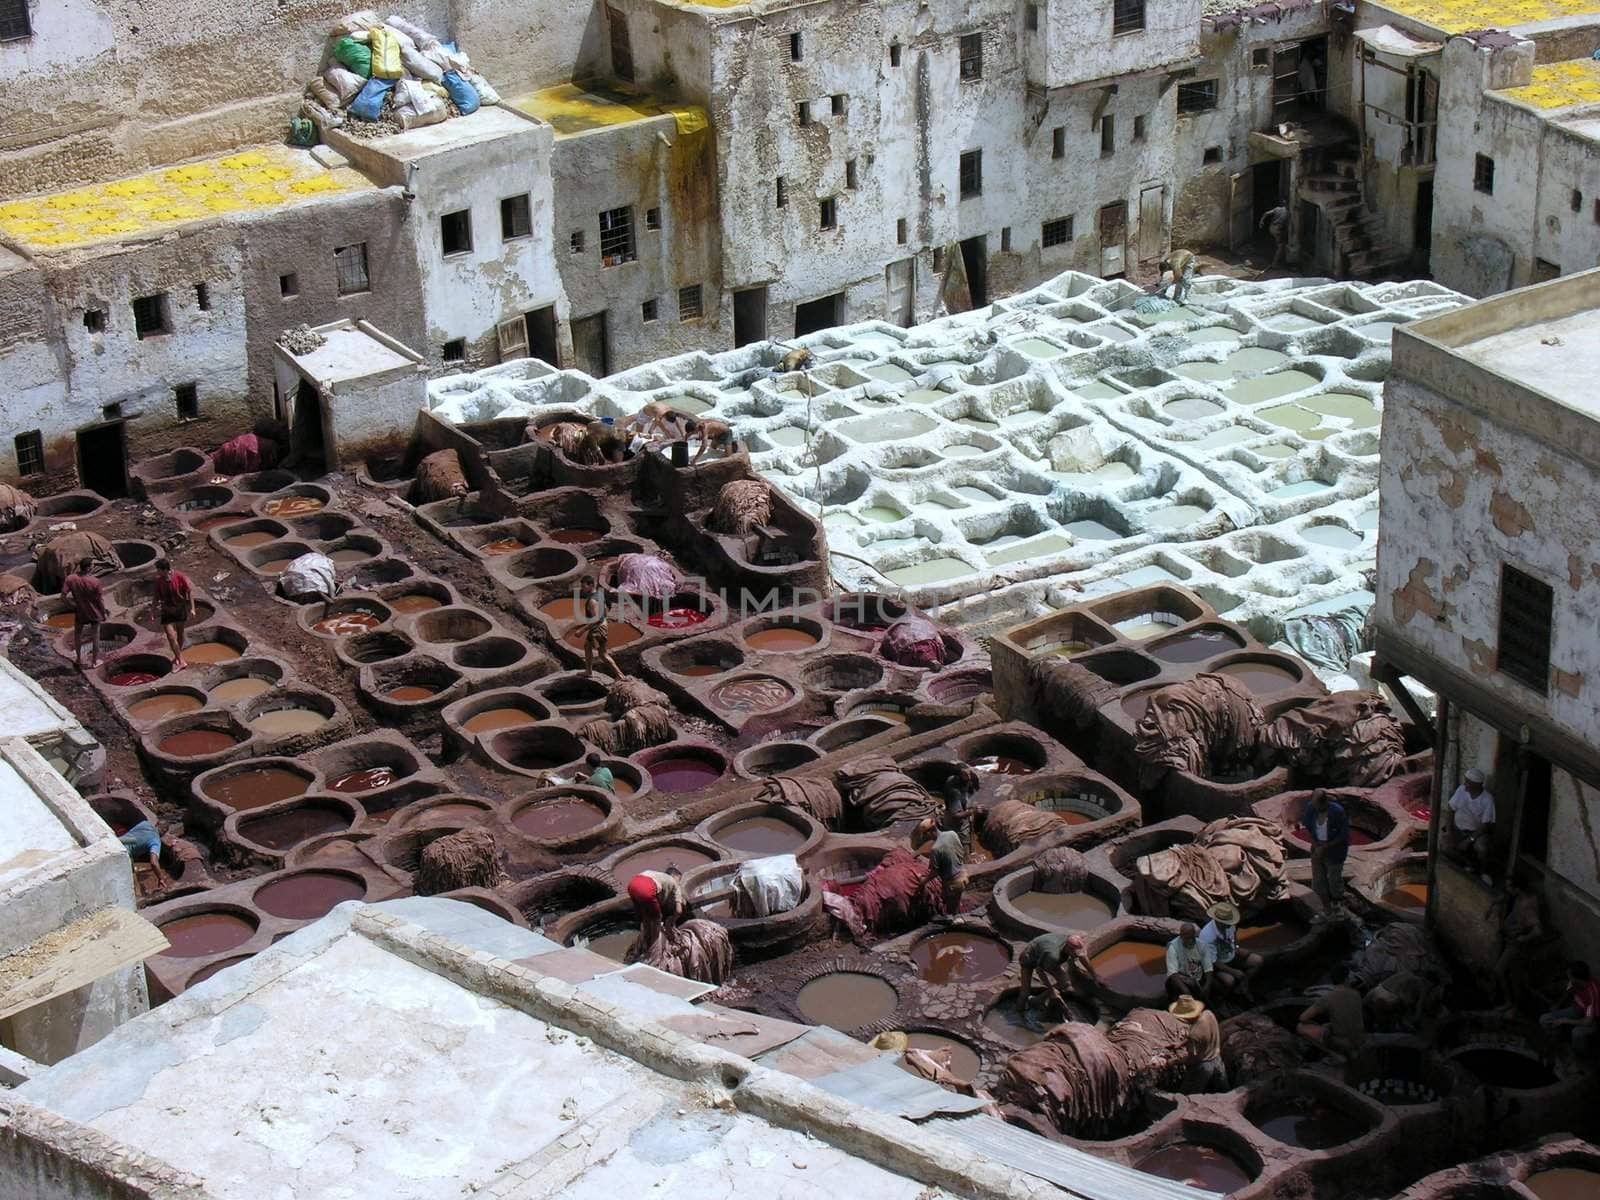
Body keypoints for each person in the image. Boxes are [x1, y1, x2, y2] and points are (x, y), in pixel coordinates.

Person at [1018, 932, 1096, 1027]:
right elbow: (1039, 971)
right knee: (1025, 991)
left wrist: (1095, 976)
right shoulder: (1053, 955)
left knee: (1066, 984)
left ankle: (1036, 1000)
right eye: (1074, 954)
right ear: (1068, 948)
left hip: (1044, 952)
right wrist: (1052, 991)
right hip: (1028, 958)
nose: (1076, 956)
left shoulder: (1071, 943)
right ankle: (1019, 1015)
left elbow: (1082, 956)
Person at [1490, 878, 1544, 1011]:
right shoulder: (1520, 897)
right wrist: (1491, 905)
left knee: (1500, 971)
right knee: (1512, 975)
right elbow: (1504, 896)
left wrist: (1524, 938)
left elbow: (1538, 930)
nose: (1507, 889)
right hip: (1511, 941)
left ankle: (1512, 1004)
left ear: (1517, 889)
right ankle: (1513, 1004)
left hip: (1516, 945)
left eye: (1510, 887)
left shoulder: (1527, 906)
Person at [1296, 963, 1366, 1060]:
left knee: (1300, 1027)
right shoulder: (1356, 994)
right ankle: (1353, 1050)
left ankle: (1333, 1054)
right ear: (1346, 979)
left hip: (1343, 1043)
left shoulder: (1327, 998)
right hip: (1360, 1039)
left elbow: (1302, 1018)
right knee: (1330, 1025)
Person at [1197, 901, 1262, 1001]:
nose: (1230, 924)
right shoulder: (1207, 936)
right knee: (1229, 980)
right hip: (1216, 965)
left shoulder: (1229, 924)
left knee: (1257, 960)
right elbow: (1213, 961)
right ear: (1219, 921)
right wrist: (1233, 971)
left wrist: (1236, 946)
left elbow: (1233, 934)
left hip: (1230, 954)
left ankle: (1242, 988)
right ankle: (1222, 998)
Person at [1302, 789, 1350, 920]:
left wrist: (1325, 847)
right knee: (1318, 881)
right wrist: (1317, 847)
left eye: (1316, 805)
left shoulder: (1337, 812)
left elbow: (1343, 835)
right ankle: (1326, 909)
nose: (1314, 807)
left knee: (1334, 880)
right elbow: (1309, 829)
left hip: (1334, 850)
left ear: (1324, 803)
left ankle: (1337, 906)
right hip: (1318, 848)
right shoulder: (1311, 808)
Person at [1539, 960, 1600, 1058]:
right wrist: (1558, 1004)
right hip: (1576, 1010)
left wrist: (1565, 1020)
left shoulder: (1593, 992)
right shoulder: (1574, 982)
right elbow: (1568, 992)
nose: (1567, 977)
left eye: (1569, 975)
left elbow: (1588, 1021)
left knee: (1577, 1033)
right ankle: (1559, 1038)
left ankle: (1580, 1057)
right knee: (1544, 1019)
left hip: (1592, 1019)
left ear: (1577, 978)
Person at [1169, 995, 1228, 1093]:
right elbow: (1205, 1036)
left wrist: (1174, 1061)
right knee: (1224, 1091)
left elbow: (1192, 1059)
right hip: (1217, 1059)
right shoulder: (1208, 1014)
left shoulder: (1194, 1033)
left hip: (1203, 1067)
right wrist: (1181, 1044)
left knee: (1187, 1095)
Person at [1446, 767, 1496, 875]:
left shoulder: (1487, 799)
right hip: (1458, 829)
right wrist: (1449, 832)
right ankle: (1466, 865)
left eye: (1468, 782)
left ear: (1477, 785)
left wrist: (1469, 840)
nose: (1465, 784)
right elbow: (1451, 810)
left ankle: (1482, 872)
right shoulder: (1461, 789)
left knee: (1482, 848)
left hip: (1475, 833)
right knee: (1445, 845)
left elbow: (1485, 825)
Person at [61, 556, 109, 670]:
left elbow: (62, 596)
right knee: (95, 637)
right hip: (94, 613)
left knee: (78, 635)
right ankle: (94, 662)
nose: (93, 567)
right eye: (92, 565)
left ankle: (78, 659)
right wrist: (104, 613)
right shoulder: (95, 582)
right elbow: (100, 601)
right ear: (88, 568)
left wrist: (72, 605)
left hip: (80, 612)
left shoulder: (71, 579)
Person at [150, 557, 196, 671]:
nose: (157, 572)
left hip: (179, 608)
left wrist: (192, 608)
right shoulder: (158, 580)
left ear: (165, 570)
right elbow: (156, 597)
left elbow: (189, 592)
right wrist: (152, 611)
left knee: (180, 633)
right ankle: (181, 660)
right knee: (171, 636)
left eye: (159, 570)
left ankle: (177, 657)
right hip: (166, 610)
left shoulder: (179, 577)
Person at [578, 574, 622, 679]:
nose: (582, 589)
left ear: (591, 585)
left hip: (598, 628)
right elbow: (606, 609)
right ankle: (589, 671)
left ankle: (619, 674)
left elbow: (596, 619)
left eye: (584, 587)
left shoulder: (593, 601)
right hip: (601, 625)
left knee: (603, 654)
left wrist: (581, 630)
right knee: (588, 646)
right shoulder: (599, 594)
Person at [920, 827, 968, 914]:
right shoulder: (952, 833)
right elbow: (961, 850)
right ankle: (959, 914)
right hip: (963, 875)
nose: (926, 838)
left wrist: (923, 881)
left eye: (925, 835)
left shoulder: (936, 849)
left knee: (951, 911)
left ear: (929, 832)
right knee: (956, 902)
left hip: (953, 883)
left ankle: (956, 923)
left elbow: (934, 872)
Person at [1166, 921, 1217, 1002]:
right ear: (1181, 936)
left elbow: (1208, 967)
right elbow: (1172, 973)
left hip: (1197, 977)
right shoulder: (1173, 947)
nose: (1190, 940)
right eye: (1187, 938)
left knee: (1206, 995)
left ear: (1194, 935)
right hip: (1181, 978)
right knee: (1175, 986)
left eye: (1192, 938)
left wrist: (1207, 986)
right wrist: (1185, 991)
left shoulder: (1202, 945)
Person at [119, 820, 172, 896]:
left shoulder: (144, 823)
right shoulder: (156, 840)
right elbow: (154, 862)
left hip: (117, 841)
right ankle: (138, 895)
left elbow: (135, 838)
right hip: (124, 853)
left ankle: (137, 893)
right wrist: (161, 878)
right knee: (132, 875)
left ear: (156, 824)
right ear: (164, 830)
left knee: (132, 871)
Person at [1260, 204, 1289, 268]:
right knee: (1281, 246)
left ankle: (1278, 257)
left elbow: (1266, 213)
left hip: (1271, 227)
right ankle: (1274, 263)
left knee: (1278, 243)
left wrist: (1261, 221)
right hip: (1277, 229)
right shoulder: (1288, 212)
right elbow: (1288, 225)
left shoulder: (1277, 209)